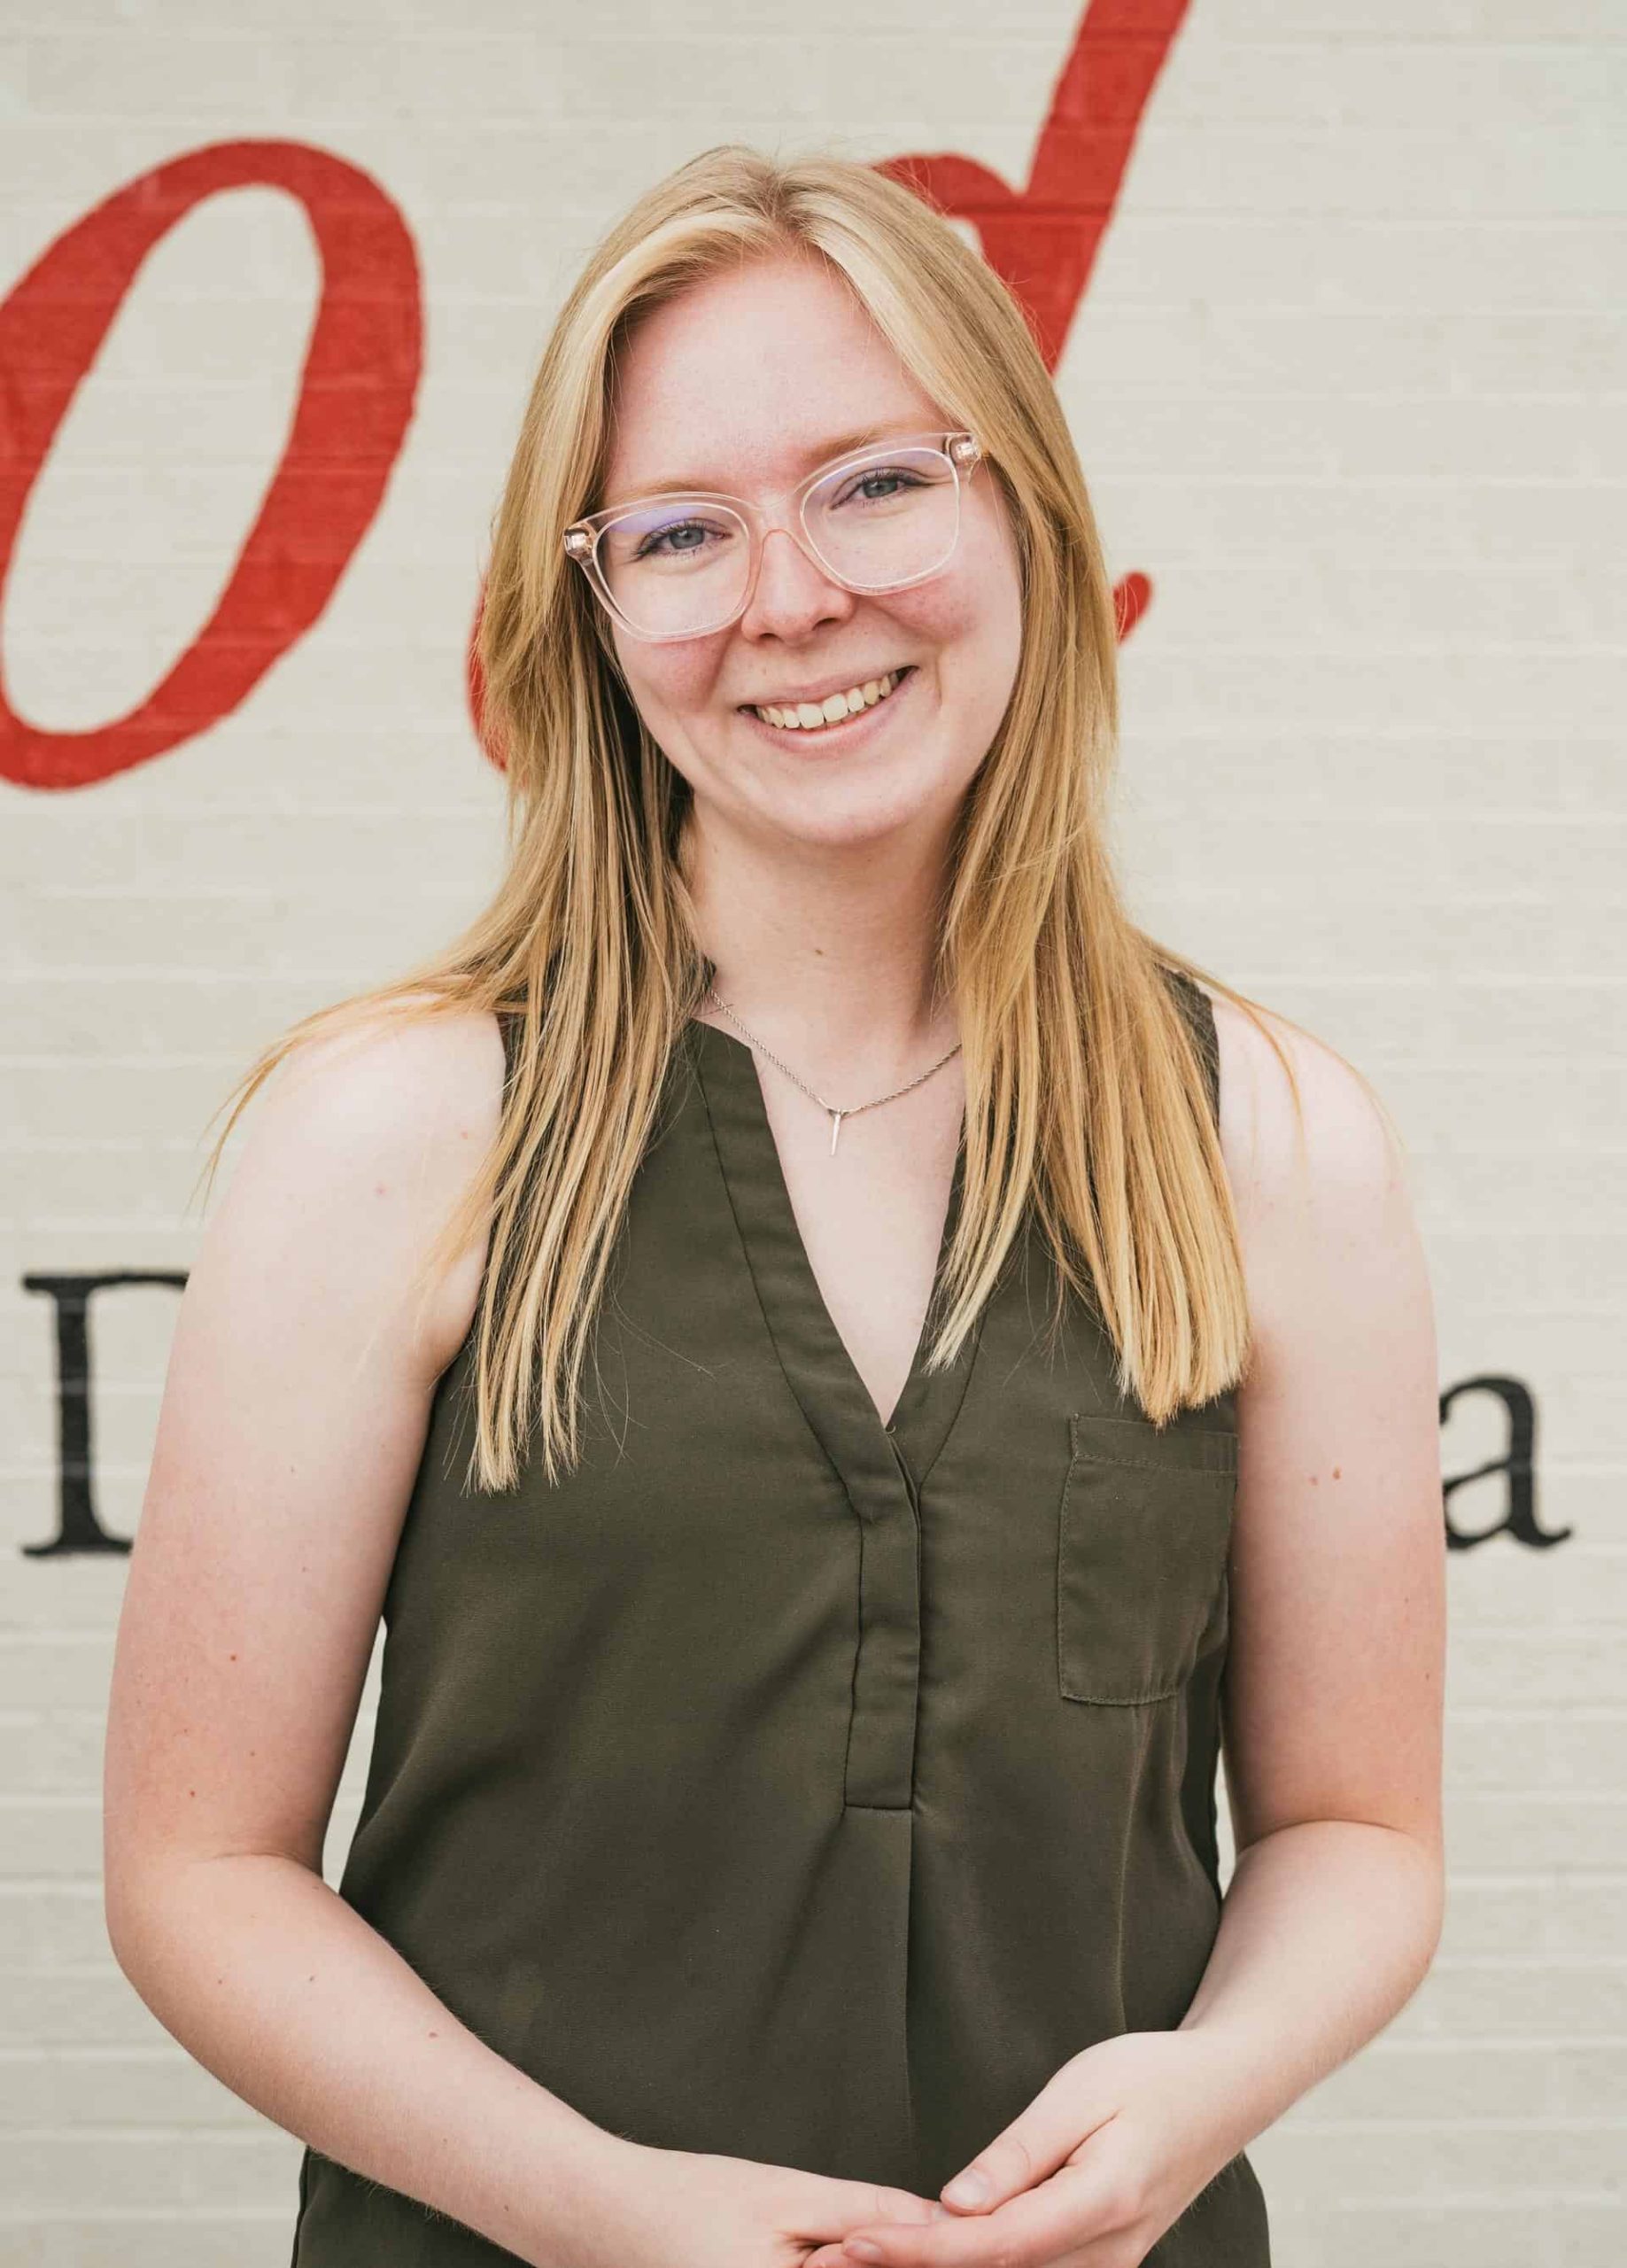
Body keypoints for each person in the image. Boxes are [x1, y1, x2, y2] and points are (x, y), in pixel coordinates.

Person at [102, 144, 1446, 2268]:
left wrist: (1205, 2089)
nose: (789, 595)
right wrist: (613, 2215)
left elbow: (1358, 1829)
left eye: (875, 482)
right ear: (595, 603)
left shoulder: (1273, 1136)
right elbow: (198, 1873)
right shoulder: (396, 1128)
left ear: (1020, 499)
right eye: (679, 530)